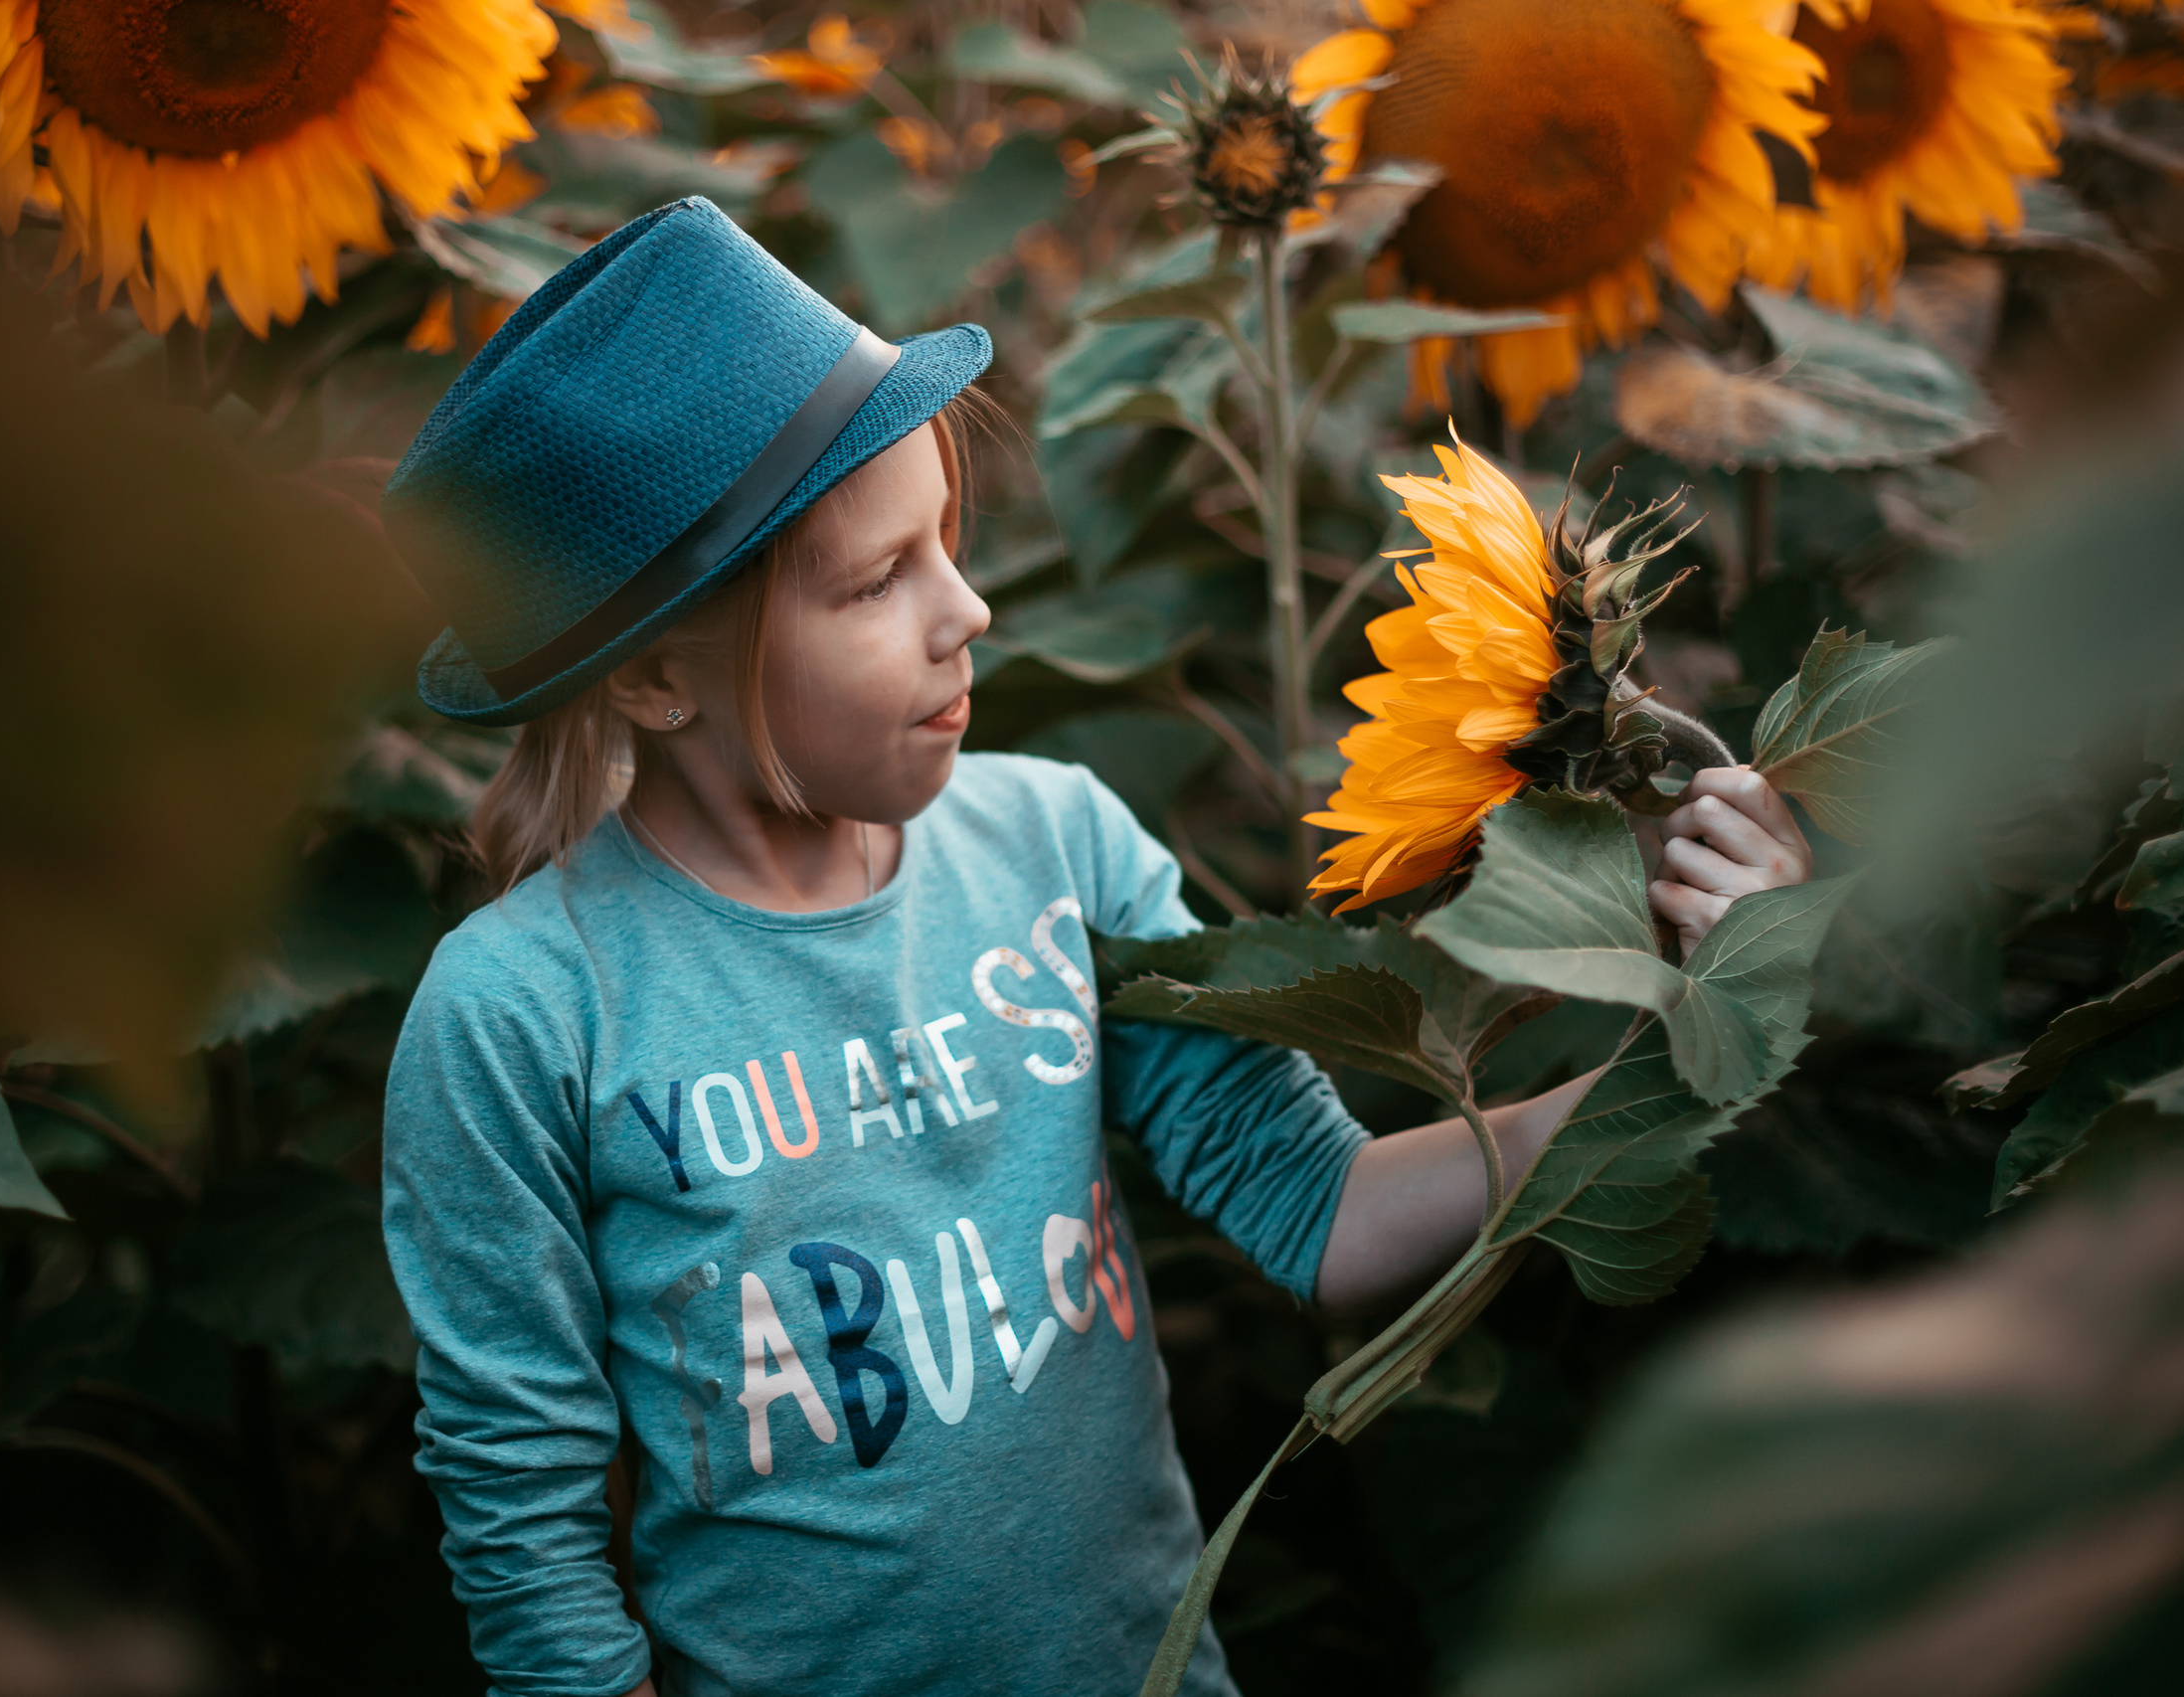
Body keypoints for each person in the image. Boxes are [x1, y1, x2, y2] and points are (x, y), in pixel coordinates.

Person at [378, 197, 1810, 1697]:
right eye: (878, 582)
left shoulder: (1056, 848)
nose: (970, 610)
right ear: (663, 681)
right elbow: (525, 1527)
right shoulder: (524, 1015)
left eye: (947, 541)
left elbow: (1318, 1209)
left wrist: (1706, 1016)